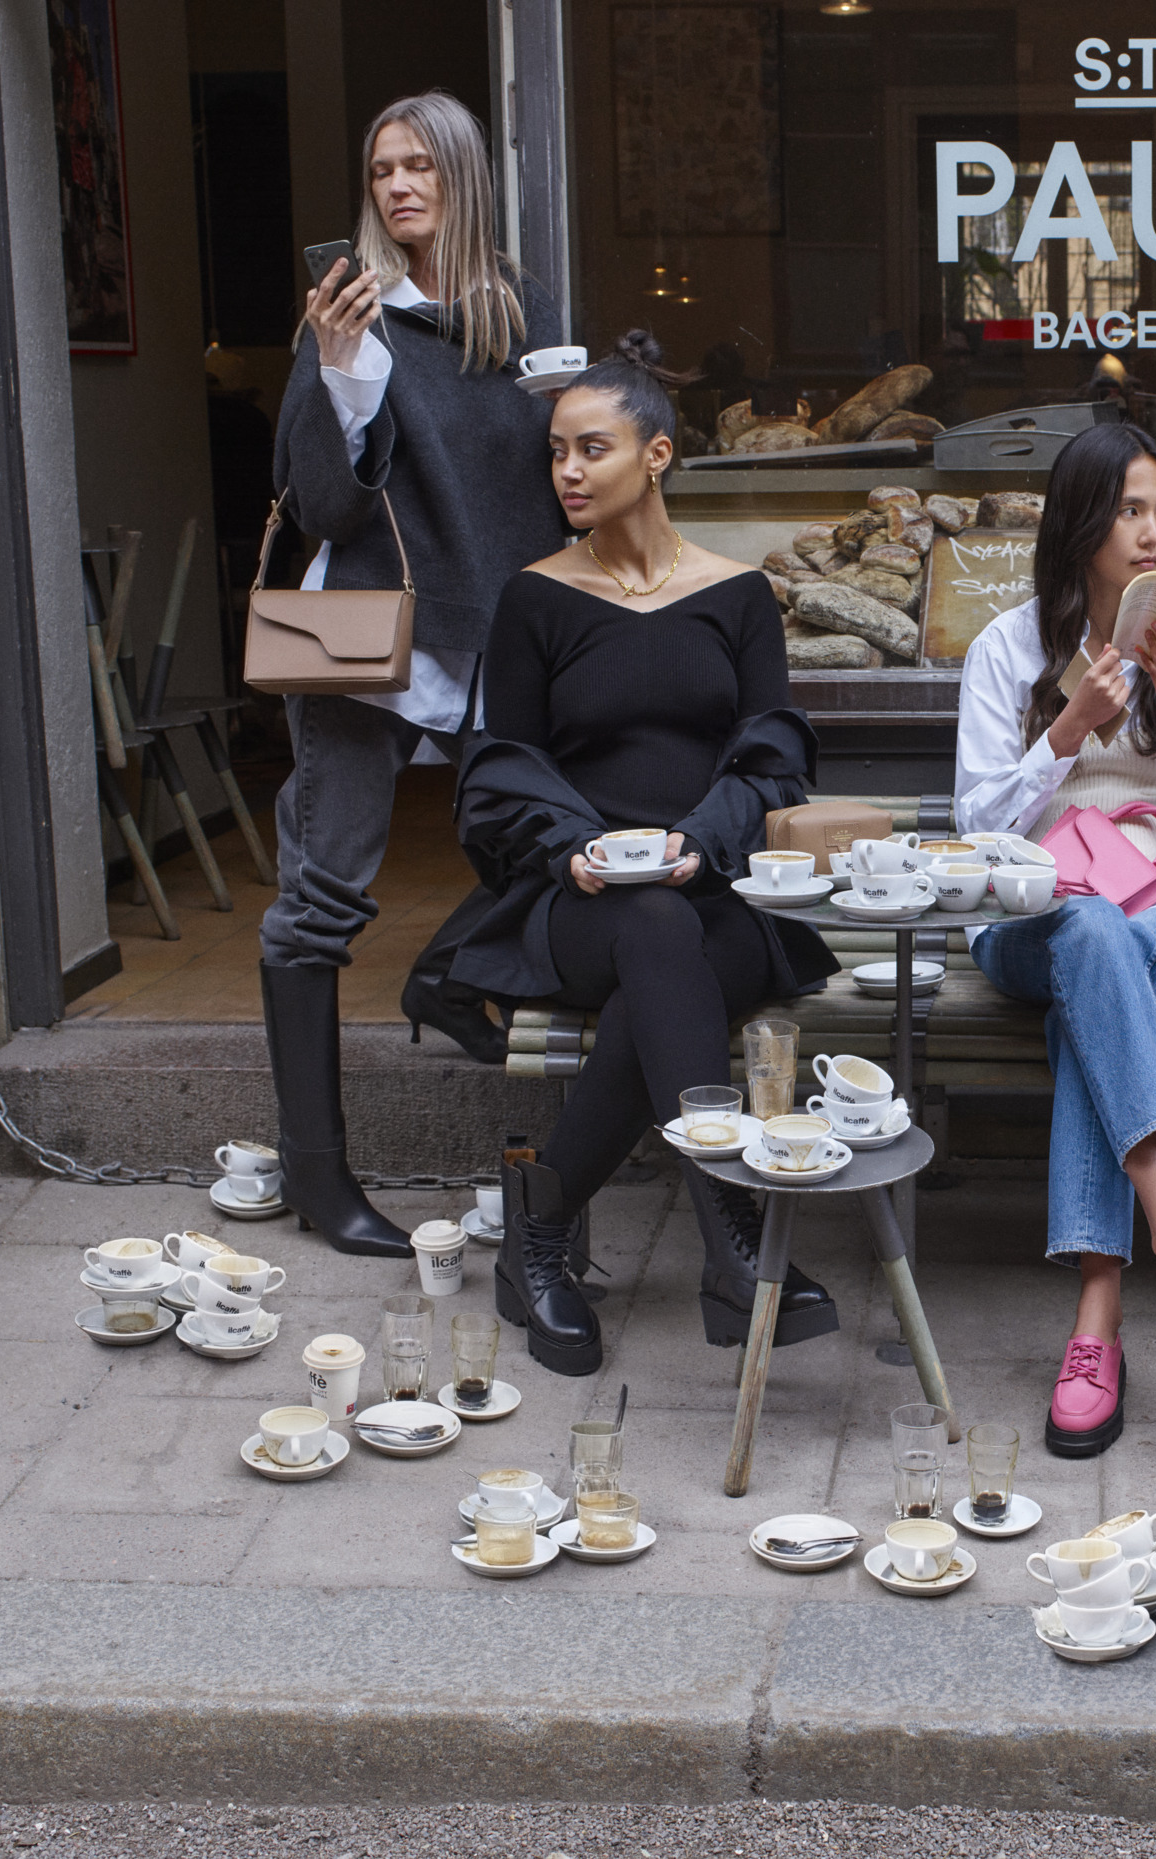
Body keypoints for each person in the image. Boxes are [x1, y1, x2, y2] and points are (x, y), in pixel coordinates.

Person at [449, 335, 840, 1377]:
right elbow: (499, 770)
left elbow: (773, 759)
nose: (567, 472)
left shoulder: (738, 593)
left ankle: (538, 1231)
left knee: (661, 963)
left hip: (717, 896)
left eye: (593, 448)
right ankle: (736, 1238)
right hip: (579, 898)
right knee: (651, 933)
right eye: (556, 453)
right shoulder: (535, 598)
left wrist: (700, 839)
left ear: (656, 455)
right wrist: (568, 847)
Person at [263, 90, 565, 1256]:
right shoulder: (350, 314)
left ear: (462, 176)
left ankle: (443, 975)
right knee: (320, 899)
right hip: (361, 642)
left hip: (493, 633)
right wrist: (340, 369)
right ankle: (316, 1172)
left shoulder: (522, 315)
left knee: (547, 847)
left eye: (419, 166)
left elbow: (557, 474)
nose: (396, 185)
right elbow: (319, 503)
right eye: (381, 169)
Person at [953, 422, 1156, 1458]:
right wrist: (1067, 730)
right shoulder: (1009, 648)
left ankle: (1097, 1324)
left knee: (1100, 979)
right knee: (1086, 925)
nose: (1151, 532)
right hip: (1032, 912)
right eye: (1129, 510)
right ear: (1081, 523)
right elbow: (976, 830)